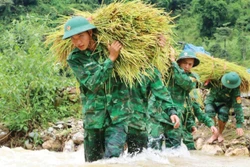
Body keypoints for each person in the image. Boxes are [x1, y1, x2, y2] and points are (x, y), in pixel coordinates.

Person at [62, 16, 128, 162]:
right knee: (93, 163)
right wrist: (111, 59)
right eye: (73, 38)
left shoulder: (107, 46)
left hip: (117, 116)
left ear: (90, 33)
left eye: (81, 36)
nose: (77, 42)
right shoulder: (75, 58)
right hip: (94, 119)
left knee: (114, 161)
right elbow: (93, 83)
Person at [127, 67, 180, 154]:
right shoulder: (108, 65)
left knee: (138, 159)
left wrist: (172, 112)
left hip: (137, 123)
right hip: (109, 123)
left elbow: (162, 94)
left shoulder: (149, 72)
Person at [164, 50, 201, 149]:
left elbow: (183, 81)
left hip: (177, 114)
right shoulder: (170, 71)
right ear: (179, 62)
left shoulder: (193, 78)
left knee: (173, 147)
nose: (187, 66)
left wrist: (173, 63)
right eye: (184, 63)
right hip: (162, 111)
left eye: (190, 64)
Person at [204, 72, 244, 143]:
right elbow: (204, 86)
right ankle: (214, 134)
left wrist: (239, 124)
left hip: (224, 103)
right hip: (212, 100)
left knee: (223, 113)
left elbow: (238, 106)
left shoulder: (235, 89)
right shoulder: (216, 79)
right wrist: (206, 81)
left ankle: (220, 133)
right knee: (209, 111)